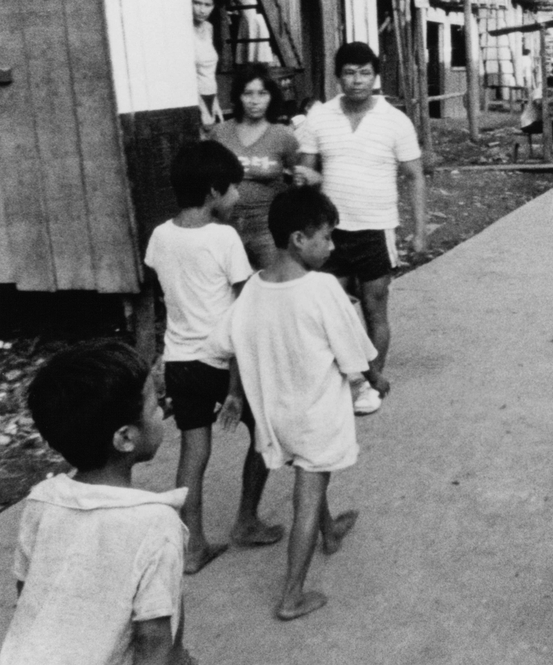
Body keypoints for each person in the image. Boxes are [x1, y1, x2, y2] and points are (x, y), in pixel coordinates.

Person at [201, 186, 384, 620]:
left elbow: (222, 342)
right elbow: (355, 356)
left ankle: (330, 532)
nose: (332, 246)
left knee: (308, 473)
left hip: (275, 416)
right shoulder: (322, 288)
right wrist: (377, 380)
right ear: (300, 239)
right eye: (326, 236)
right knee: (309, 489)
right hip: (316, 415)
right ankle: (292, 595)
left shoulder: (254, 289)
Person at [0, 341, 193, 665]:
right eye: (154, 403)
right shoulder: (157, 524)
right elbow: (153, 642)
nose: (162, 408)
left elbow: (28, 593)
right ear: (125, 438)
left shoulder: (41, 501)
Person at [145, 141, 281, 575]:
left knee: (193, 448)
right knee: (265, 434)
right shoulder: (224, 237)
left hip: (180, 361)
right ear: (212, 191)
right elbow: (242, 316)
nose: (238, 197)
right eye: (233, 189)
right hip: (222, 361)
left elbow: (162, 294)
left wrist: (154, 360)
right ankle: (246, 521)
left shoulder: (160, 235)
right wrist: (238, 389)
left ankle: (193, 545)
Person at [295, 42, 427, 417]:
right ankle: (338, 379)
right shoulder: (318, 119)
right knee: (328, 309)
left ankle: (371, 384)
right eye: (350, 73)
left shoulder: (395, 121)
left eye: (364, 73)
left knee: (374, 309)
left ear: (375, 76)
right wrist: (304, 181)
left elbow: (415, 176)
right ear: (338, 77)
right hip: (328, 234)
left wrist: (420, 232)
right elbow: (307, 175)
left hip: (376, 228)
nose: (357, 80)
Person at [211, 64, 300, 269]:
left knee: (273, 291)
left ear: (271, 97)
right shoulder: (220, 133)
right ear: (238, 96)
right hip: (225, 228)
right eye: (248, 93)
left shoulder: (283, 136)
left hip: (267, 232)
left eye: (262, 93)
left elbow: (298, 181)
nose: (254, 101)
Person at [193, 0, 223, 131]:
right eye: (197, 3)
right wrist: (203, 110)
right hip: (194, 99)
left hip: (210, 95)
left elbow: (210, 73)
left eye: (207, 4)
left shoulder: (209, 27)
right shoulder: (185, 29)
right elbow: (186, 75)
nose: (202, 9)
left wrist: (215, 102)